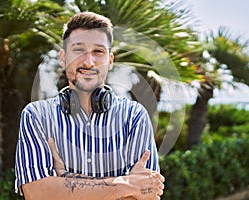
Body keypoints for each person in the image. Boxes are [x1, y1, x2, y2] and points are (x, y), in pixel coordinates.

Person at [14, 11, 165, 200]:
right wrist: (125, 184)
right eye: (78, 50)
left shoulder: (134, 116)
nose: (88, 61)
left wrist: (66, 180)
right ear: (63, 58)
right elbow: (37, 192)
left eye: (98, 51)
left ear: (110, 61)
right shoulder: (36, 115)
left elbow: (146, 193)